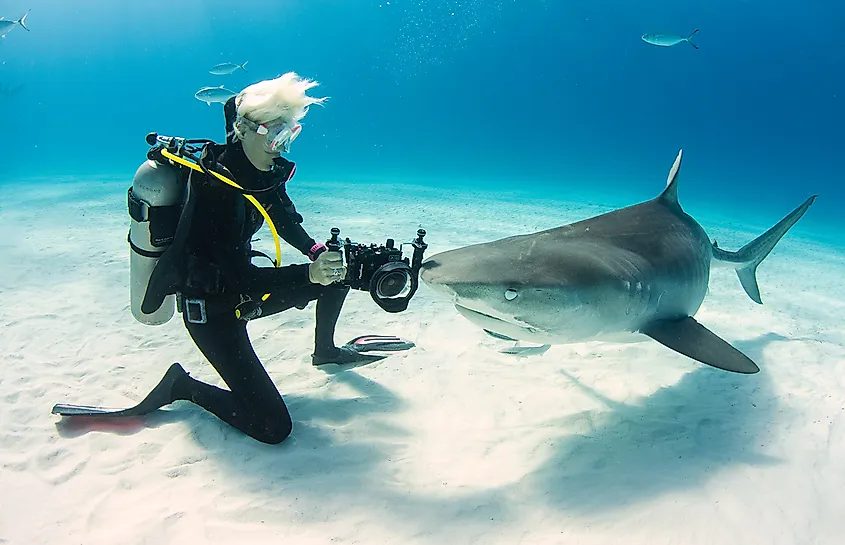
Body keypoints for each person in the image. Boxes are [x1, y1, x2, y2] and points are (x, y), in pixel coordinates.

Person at [128, 73, 407, 444]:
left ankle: (325, 352)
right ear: (244, 130)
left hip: (247, 294)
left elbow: (283, 218)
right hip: (213, 309)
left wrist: (316, 253)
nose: (283, 146)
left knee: (339, 268)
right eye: (276, 134)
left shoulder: (265, 173)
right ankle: (183, 386)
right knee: (273, 427)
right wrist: (309, 275)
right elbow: (235, 279)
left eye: (290, 133)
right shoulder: (215, 190)